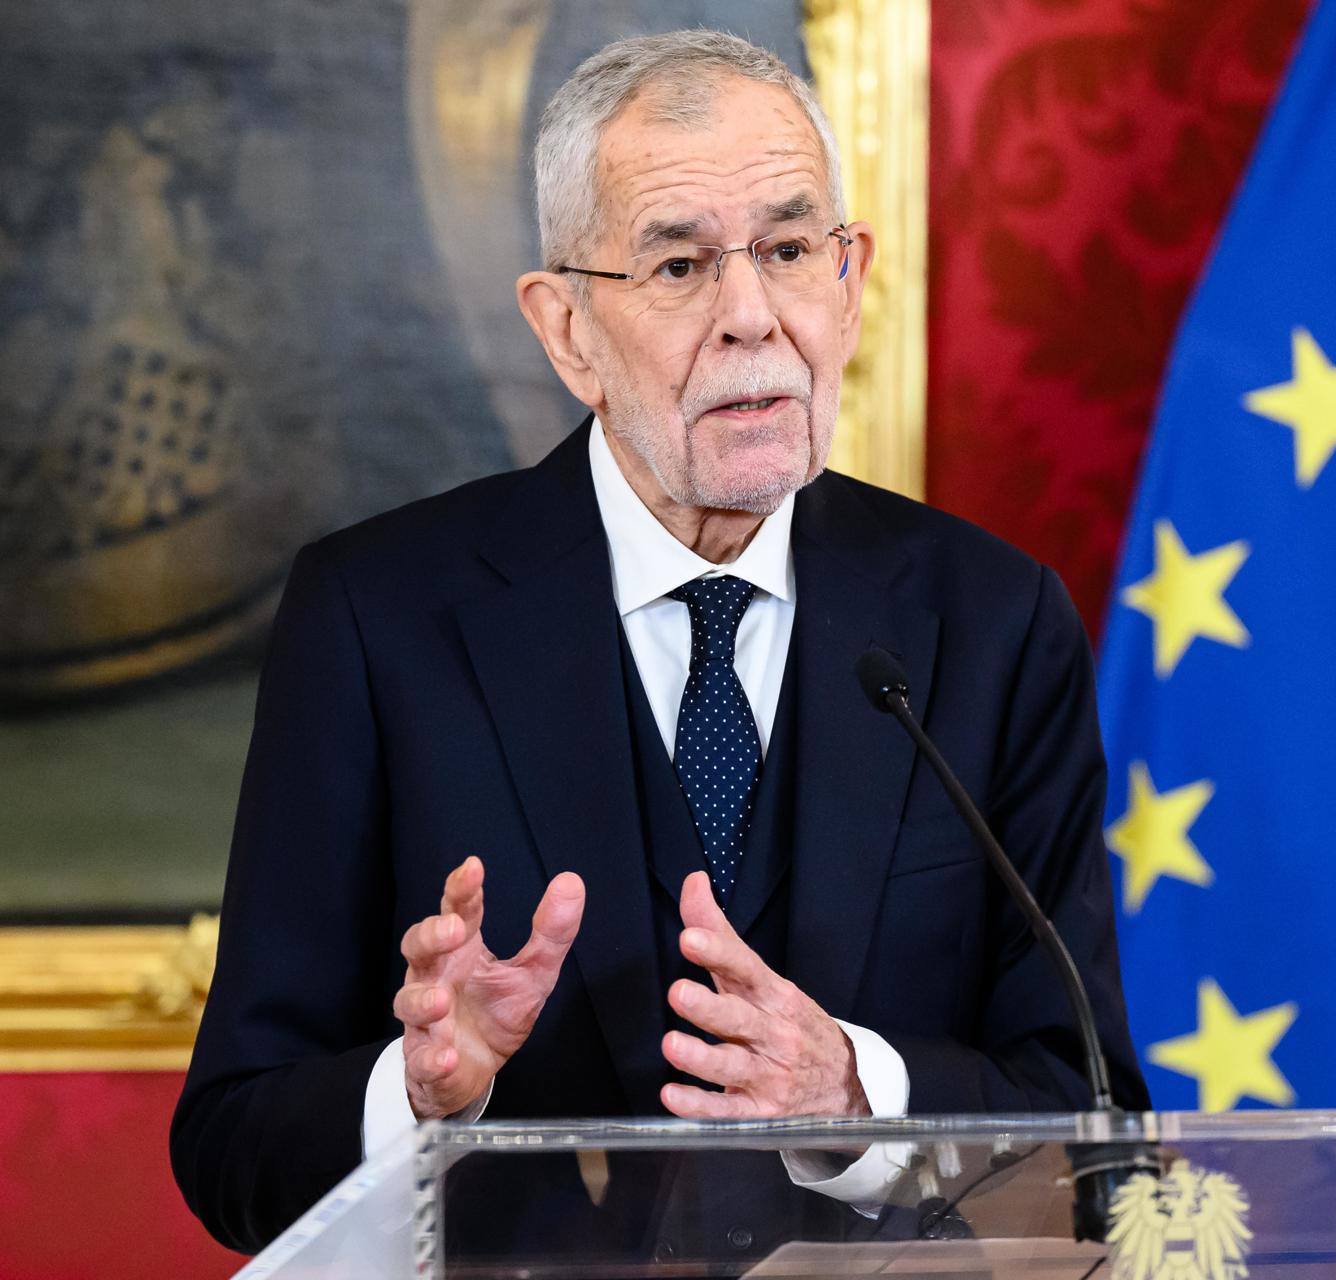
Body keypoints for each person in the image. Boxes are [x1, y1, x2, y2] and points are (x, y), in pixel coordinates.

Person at [171, 29, 1146, 1258]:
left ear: (849, 281)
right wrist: (423, 1093)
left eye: (790, 250)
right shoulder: (377, 620)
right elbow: (229, 1144)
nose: (753, 317)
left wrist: (857, 1096)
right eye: (679, 265)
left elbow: (1097, 1121)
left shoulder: (995, 623)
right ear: (566, 328)